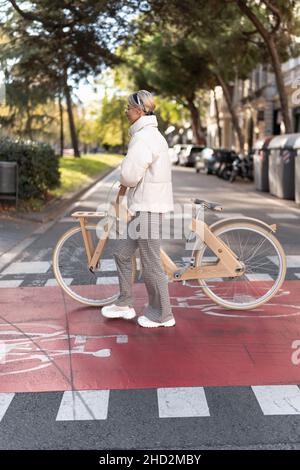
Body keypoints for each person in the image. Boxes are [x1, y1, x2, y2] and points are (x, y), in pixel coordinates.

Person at [101, 90, 175, 328]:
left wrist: (124, 172)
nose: (126, 111)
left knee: (151, 264)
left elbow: (130, 175)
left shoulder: (144, 137)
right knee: (122, 252)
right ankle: (124, 303)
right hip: (143, 206)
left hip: (149, 208)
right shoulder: (148, 135)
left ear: (140, 110)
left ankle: (163, 315)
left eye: (128, 107)